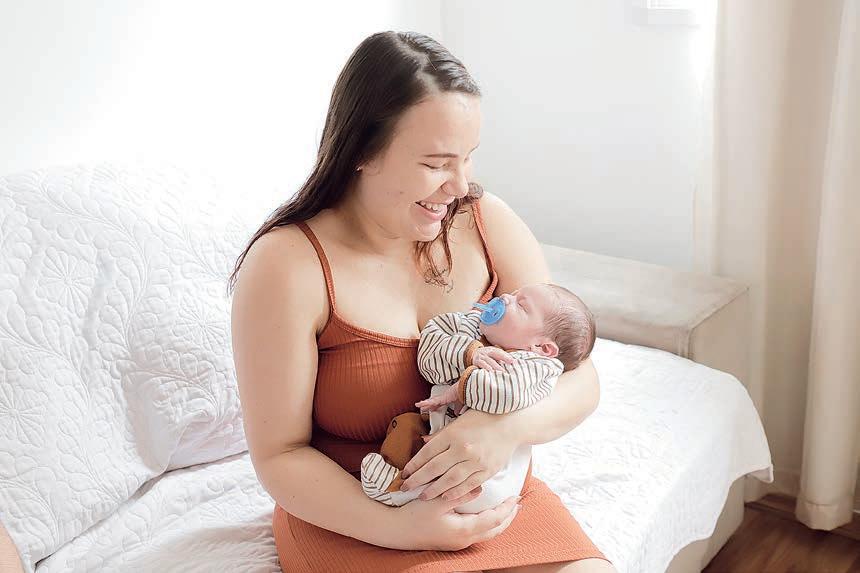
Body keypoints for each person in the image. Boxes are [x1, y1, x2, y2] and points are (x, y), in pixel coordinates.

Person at [229, 30, 617, 573]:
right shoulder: (287, 265)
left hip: (494, 506)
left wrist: (503, 429)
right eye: (436, 164)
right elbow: (279, 455)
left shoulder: (486, 221)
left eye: (468, 159)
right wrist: (401, 528)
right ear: (363, 150)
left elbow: (579, 376)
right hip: (355, 514)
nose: (459, 186)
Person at [360, 283, 597, 515]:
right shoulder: (470, 324)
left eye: (521, 305)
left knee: (478, 488)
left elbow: (504, 395)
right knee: (406, 428)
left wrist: (458, 389)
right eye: (513, 294)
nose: (505, 298)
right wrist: (469, 353)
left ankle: (407, 495)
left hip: (493, 469)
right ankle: (404, 488)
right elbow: (429, 353)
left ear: (542, 347)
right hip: (437, 431)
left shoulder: (538, 367)